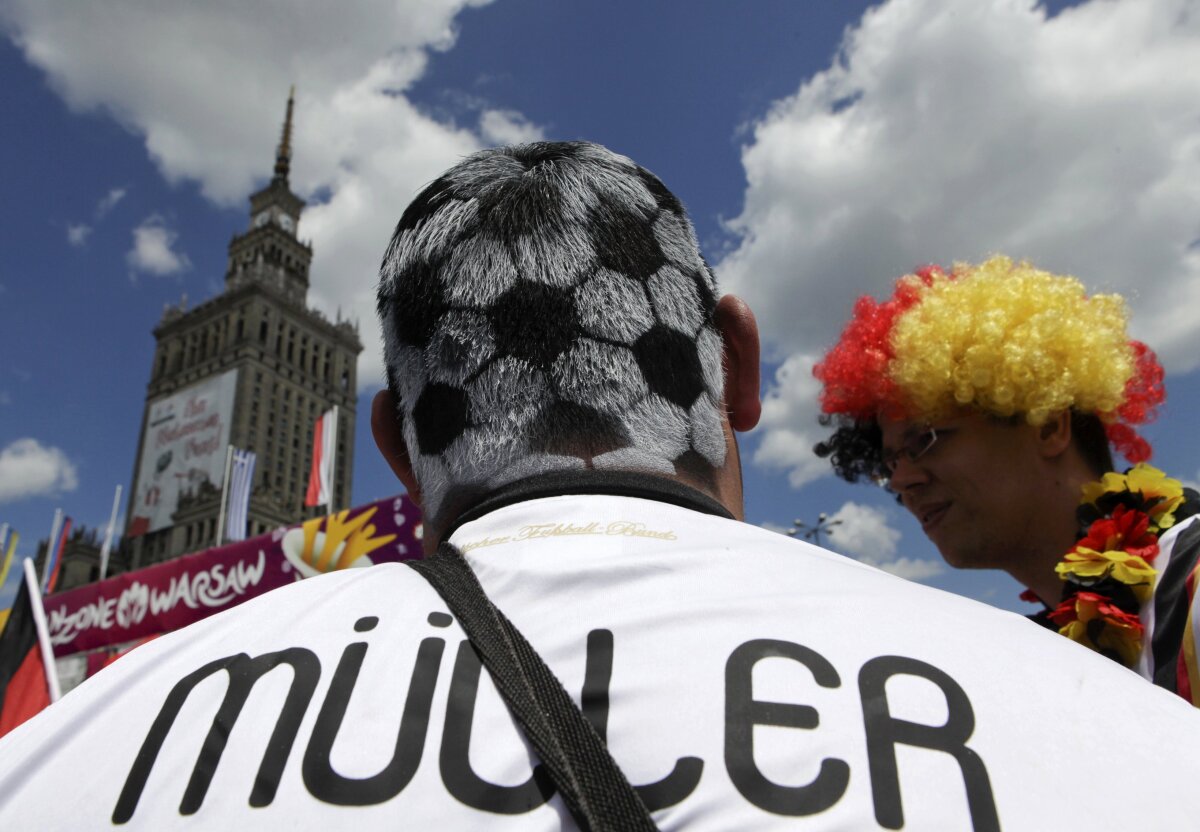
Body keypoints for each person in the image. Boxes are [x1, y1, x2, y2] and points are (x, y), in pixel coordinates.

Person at [2, 144, 1200, 830]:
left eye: (927, 435)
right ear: (736, 369)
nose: (906, 472)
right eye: (894, 445)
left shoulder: (53, 759)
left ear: (387, 437)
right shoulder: (1139, 752)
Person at [814, 256, 1200, 703]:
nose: (901, 480)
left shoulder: (1187, 582)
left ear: (1049, 426)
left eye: (926, 439)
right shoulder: (1037, 654)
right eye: (889, 462)